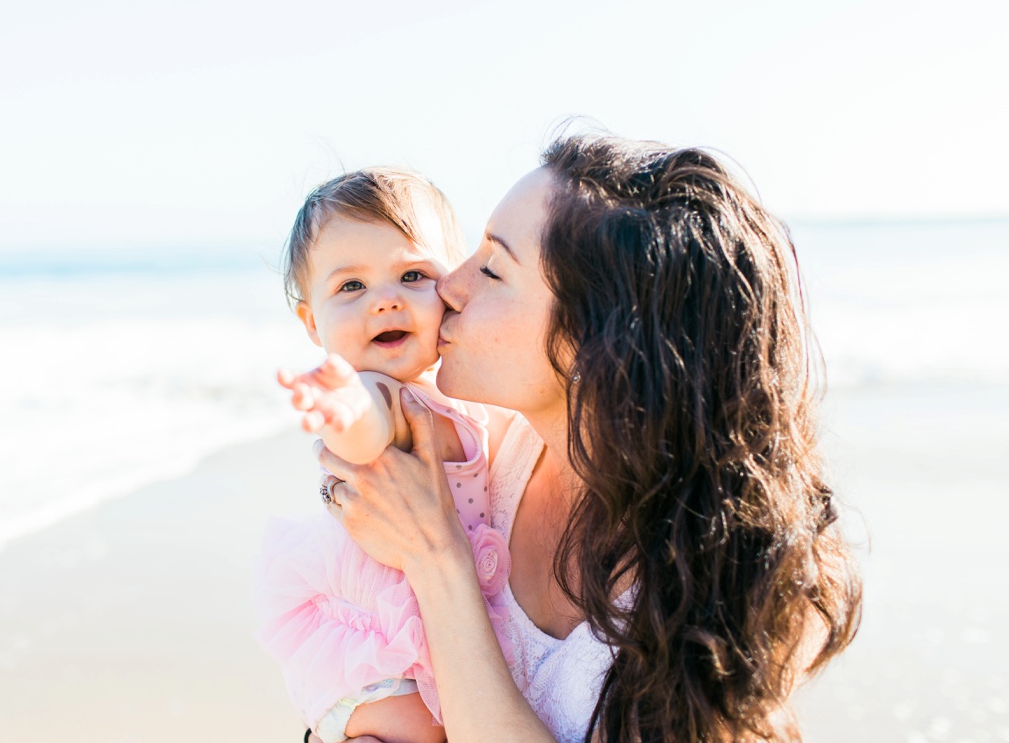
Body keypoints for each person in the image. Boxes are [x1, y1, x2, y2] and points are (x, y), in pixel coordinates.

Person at [311, 134, 863, 743]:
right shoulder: (499, 454)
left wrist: (437, 559)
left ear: (595, 340)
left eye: (492, 269)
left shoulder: (704, 597)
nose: (448, 287)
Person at [253, 168, 517, 743]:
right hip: (386, 654)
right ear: (311, 321)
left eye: (413, 275)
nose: (386, 301)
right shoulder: (382, 391)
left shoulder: (458, 392)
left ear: (452, 289)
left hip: (422, 641)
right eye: (352, 287)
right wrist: (344, 409)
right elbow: (370, 431)